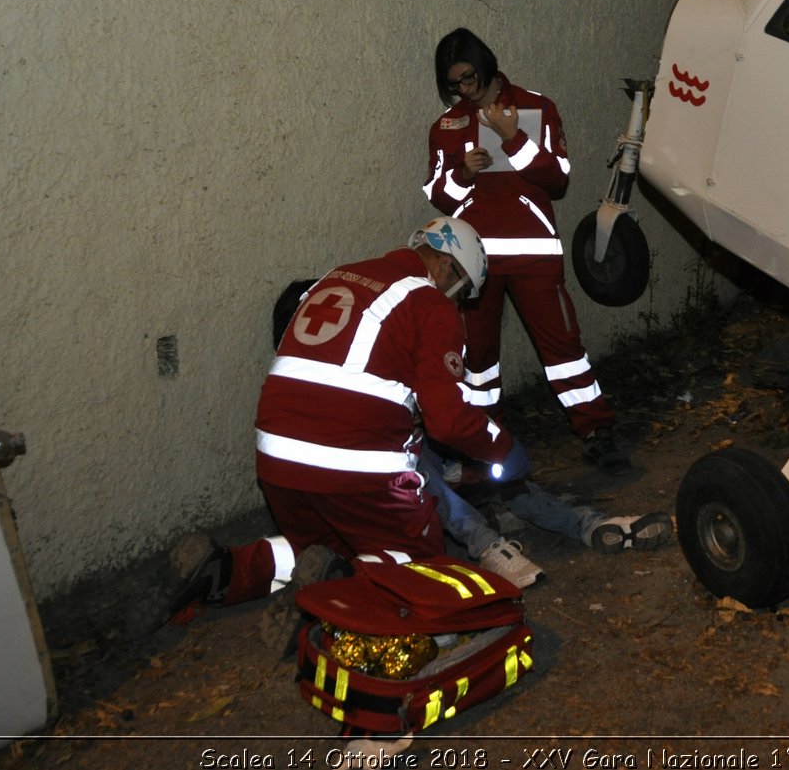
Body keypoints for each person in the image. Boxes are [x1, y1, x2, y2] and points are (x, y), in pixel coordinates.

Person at [145, 218, 531, 641]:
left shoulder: (341, 277)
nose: (457, 304)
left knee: (320, 547)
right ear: (445, 266)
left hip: (279, 462)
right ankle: (337, 593)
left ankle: (226, 568)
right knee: (421, 567)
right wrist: (503, 449)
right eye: (460, 292)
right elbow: (450, 419)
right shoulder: (429, 301)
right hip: (354, 468)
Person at [424, 27, 629, 474]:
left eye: (469, 77)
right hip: (473, 263)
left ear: (487, 65)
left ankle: (596, 430)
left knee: (563, 348)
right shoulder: (448, 124)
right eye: (454, 83)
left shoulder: (536, 105)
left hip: (534, 256)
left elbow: (557, 179)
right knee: (476, 361)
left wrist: (514, 139)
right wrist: (463, 173)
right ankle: (483, 441)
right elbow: (440, 196)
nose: (464, 89)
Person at [418, 448, 673, 588]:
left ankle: (592, 525)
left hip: (458, 473)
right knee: (429, 479)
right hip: (418, 492)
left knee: (516, 489)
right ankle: (488, 545)